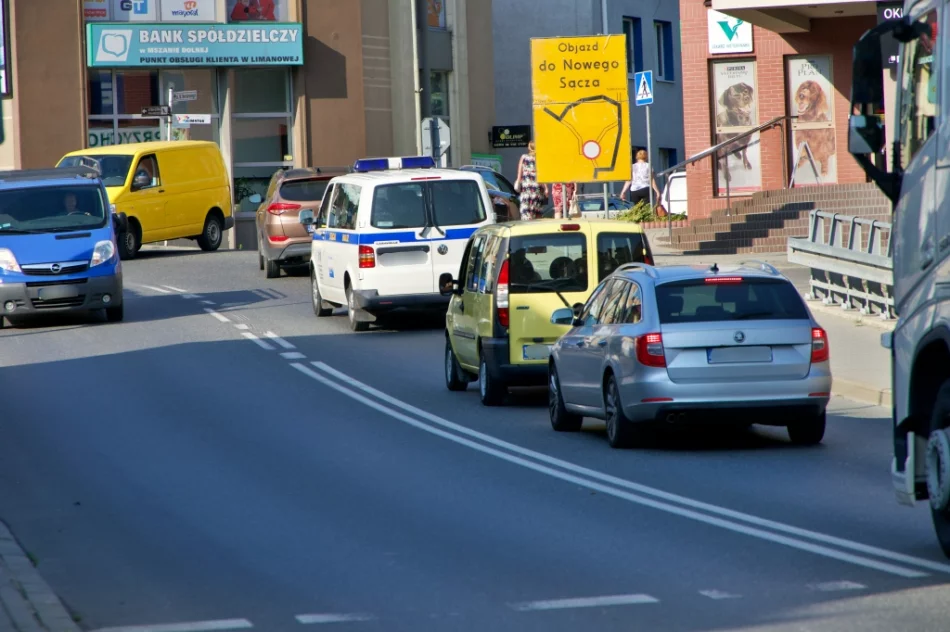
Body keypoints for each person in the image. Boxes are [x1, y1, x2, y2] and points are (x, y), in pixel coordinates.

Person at [515, 141, 546, 220]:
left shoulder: (524, 157)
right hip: (537, 187)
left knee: (526, 209)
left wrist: (518, 181)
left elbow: (519, 172)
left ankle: (527, 224)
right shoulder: (539, 158)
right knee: (536, 210)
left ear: (529, 148)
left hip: (526, 187)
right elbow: (541, 173)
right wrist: (546, 187)